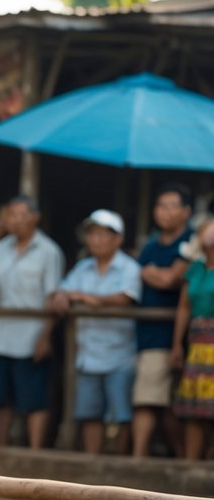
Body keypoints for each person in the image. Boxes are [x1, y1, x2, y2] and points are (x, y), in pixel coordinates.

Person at [47, 210, 142, 455]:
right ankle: (93, 461)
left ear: (118, 239)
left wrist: (89, 298)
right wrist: (62, 295)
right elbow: (65, 290)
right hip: (87, 354)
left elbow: (125, 298)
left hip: (119, 353)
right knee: (90, 414)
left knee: (122, 415)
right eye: (92, 234)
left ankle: (121, 464)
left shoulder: (129, 268)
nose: (96, 240)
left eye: (102, 234)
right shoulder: (82, 267)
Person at [0, 196, 64, 449]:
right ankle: (1, 447)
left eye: (21, 214)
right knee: (2, 398)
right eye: (11, 214)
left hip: (32, 333)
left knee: (34, 398)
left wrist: (45, 337)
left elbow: (53, 298)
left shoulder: (49, 251)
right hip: (1, 333)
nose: (15, 220)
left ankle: (35, 452)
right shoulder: (2, 247)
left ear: (35, 218)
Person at [133, 182, 194, 458]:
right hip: (149, 334)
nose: (164, 211)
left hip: (181, 336)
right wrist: (159, 274)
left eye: (171, 205)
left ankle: (139, 458)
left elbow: (173, 279)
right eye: (160, 205)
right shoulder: (152, 244)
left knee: (155, 400)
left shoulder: (193, 243)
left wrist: (153, 273)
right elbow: (150, 274)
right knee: (161, 401)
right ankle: (177, 455)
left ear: (186, 211)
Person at [171, 219, 214, 460]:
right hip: (197, 344)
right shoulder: (196, 267)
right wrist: (177, 344)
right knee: (194, 408)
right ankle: (190, 463)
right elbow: (184, 307)